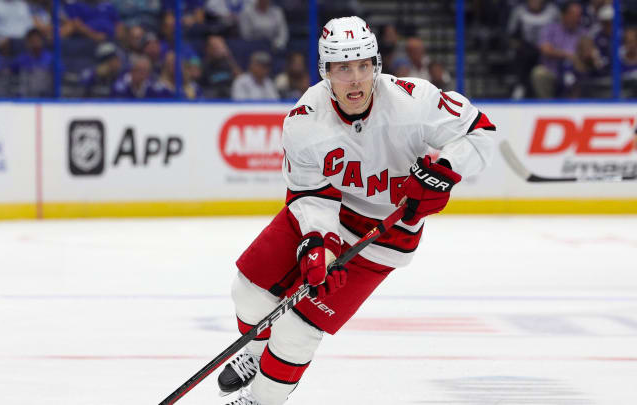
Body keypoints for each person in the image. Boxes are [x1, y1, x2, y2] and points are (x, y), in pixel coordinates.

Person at [218, 16, 499, 405]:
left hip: (384, 236)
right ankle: (255, 352)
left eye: (363, 65)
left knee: (298, 332)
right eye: (343, 68)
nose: (355, 79)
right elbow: (308, 193)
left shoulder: (412, 101)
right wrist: (318, 243)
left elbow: (481, 131)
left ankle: (261, 400)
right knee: (247, 292)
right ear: (325, 71)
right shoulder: (304, 120)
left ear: (376, 65)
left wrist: (444, 173)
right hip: (327, 211)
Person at [531, 1, 586, 98]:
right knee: (539, 73)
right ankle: (547, 107)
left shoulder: (583, 33)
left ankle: (576, 107)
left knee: (579, 73)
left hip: (575, 70)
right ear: (564, 15)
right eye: (573, 15)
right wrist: (567, 55)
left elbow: (586, 53)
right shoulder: (550, 29)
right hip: (553, 70)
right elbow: (545, 49)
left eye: (579, 16)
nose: (577, 19)